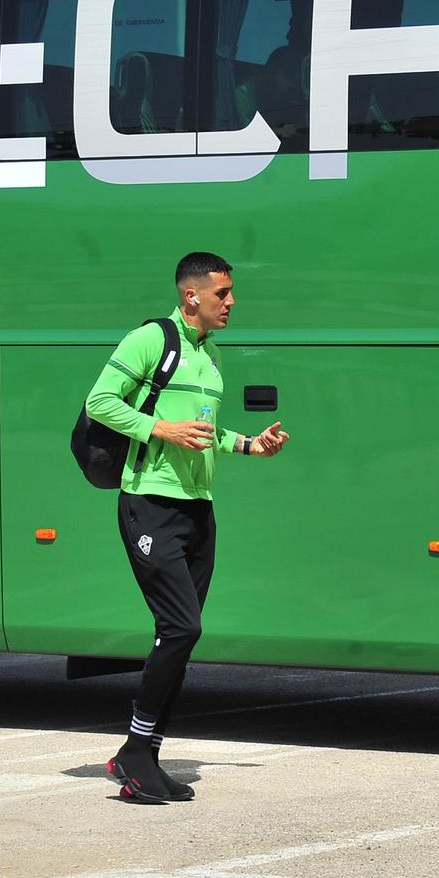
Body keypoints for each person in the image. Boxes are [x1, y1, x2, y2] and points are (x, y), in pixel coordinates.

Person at [86, 252, 289, 804]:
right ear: (190, 295)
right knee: (181, 628)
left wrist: (248, 445)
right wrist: (160, 429)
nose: (231, 302)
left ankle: (141, 759)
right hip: (150, 505)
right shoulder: (152, 340)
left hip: (199, 509)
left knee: (177, 634)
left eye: (231, 292)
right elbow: (100, 401)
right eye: (222, 293)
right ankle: (134, 752)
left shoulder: (210, 354)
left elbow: (206, 433)